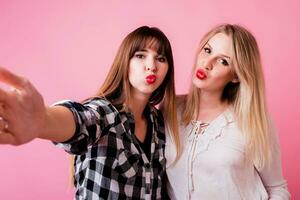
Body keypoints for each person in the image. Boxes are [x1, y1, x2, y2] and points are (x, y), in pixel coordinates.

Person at [0, 26, 179, 200]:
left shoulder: (158, 122)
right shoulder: (104, 112)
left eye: (161, 59)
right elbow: (81, 120)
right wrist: (43, 121)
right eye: (140, 56)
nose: (152, 66)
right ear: (125, 61)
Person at [164, 24, 291, 199]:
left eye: (223, 61)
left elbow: (277, 189)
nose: (207, 64)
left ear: (236, 75)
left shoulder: (253, 122)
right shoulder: (169, 109)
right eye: (207, 50)